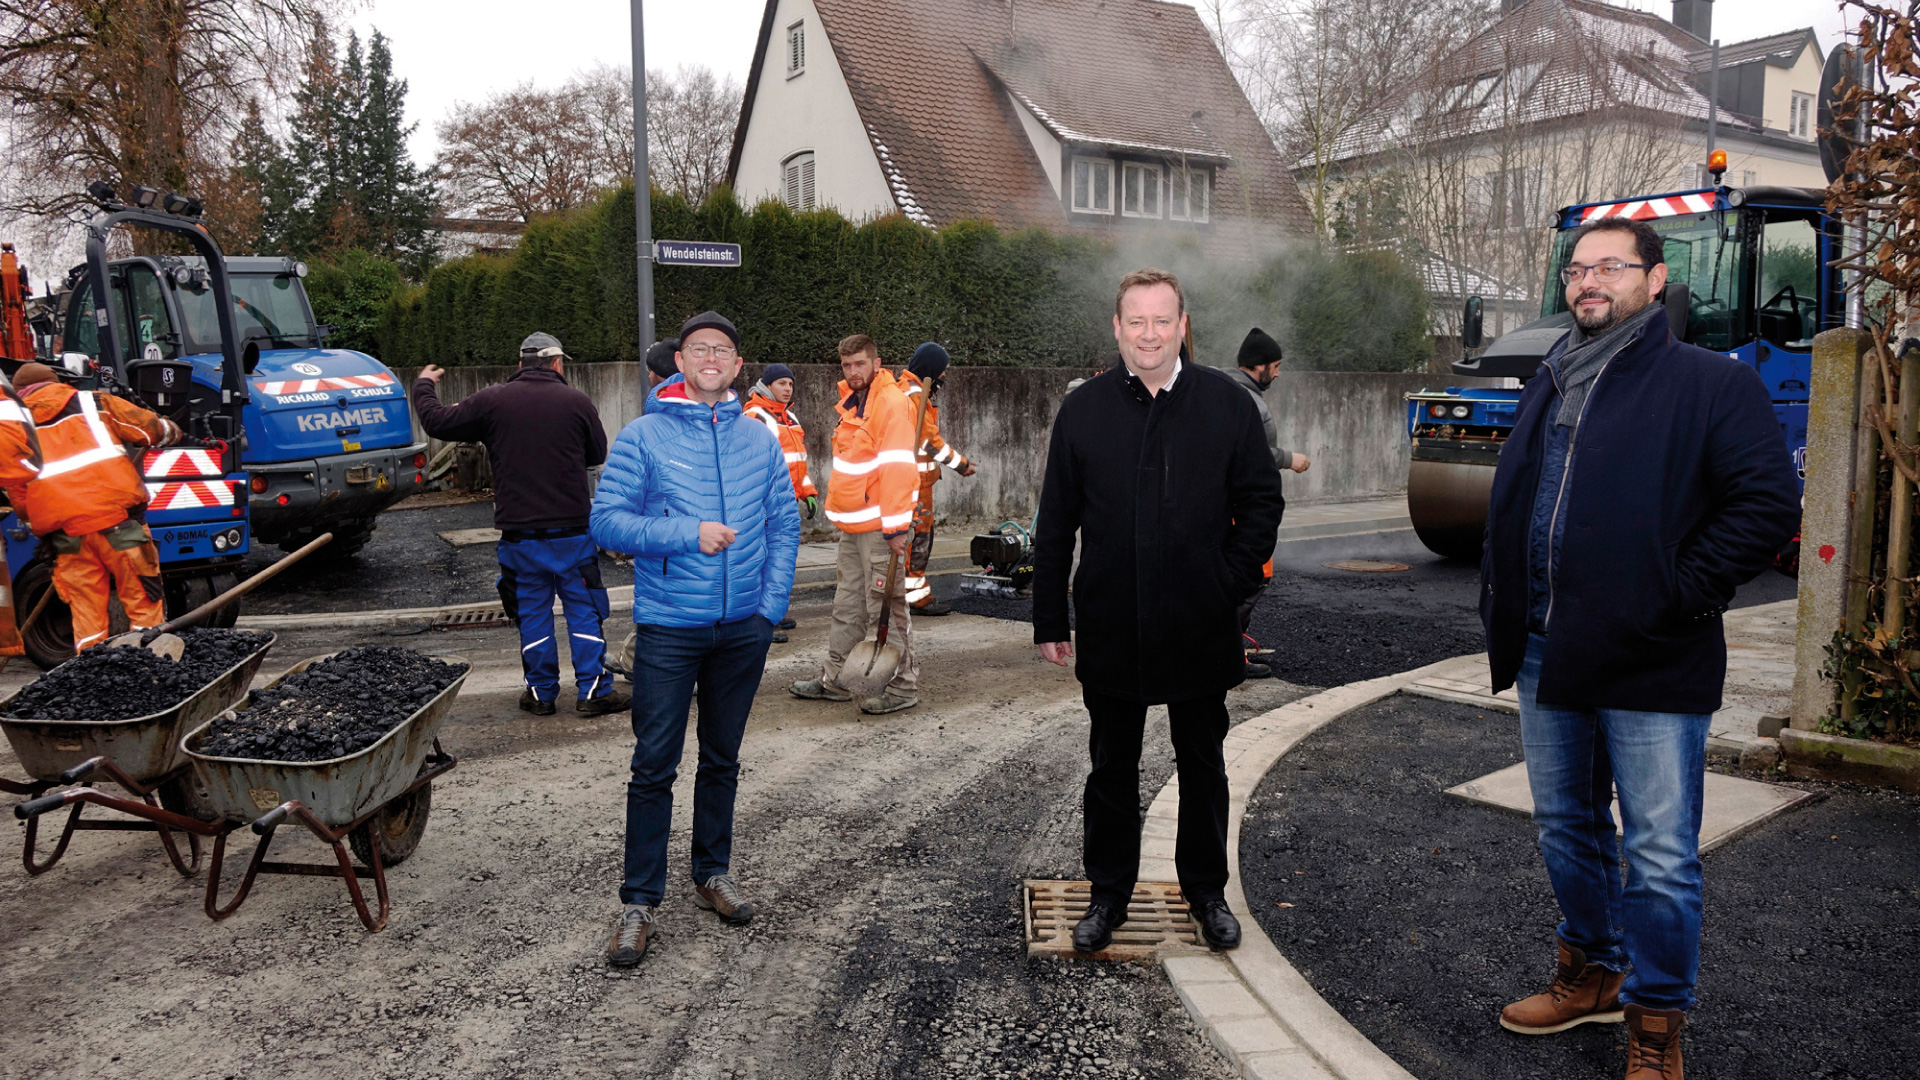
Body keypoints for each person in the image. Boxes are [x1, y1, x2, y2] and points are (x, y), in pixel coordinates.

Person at [1481, 217, 1798, 1079]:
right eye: (1578, 269)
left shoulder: (1708, 384)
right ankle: (1591, 970)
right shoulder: (1554, 377)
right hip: (1553, 649)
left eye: (1610, 267)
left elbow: (1767, 507)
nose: (1589, 281)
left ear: (1656, 282)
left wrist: (1674, 593)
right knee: (1565, 830)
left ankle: (1657, 1025)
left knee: (1658, 854)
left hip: (1655, 656)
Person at [1032, 269, 1285, 954]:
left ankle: (1205, 893)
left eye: (1161, 321)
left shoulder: (1225, 406)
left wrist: (1224, 584)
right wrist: (1051, 617)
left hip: (1200, 624)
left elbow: (1263, 503)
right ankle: (1107, 897)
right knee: (1110, 768)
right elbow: (1055, 521)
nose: (1148, 334)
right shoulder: (1084, 411)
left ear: (1182, 325)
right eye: (1135, 321)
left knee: (1202, 764)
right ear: (1117, 328)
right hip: (1112, 621)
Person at [590, 311, 800, 968]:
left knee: (722, 758)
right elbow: (607, 523)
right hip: (669, 628)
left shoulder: (759, 441)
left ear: (738, 367)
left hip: (743, 630)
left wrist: (768, 609)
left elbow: (784, 525)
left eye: (725, 349)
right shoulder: (643, 437)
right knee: (653, 765)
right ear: (679, 362)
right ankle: (638, 902)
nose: (713, 356)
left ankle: (712, 874)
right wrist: (686, 534)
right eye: (699, 347)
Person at [414, 333, 627, 718]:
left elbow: (435, 420)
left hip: (519, 536)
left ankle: (541, 694)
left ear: (520, 365)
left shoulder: (493, 401)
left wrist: (424, 385)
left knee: (532, 614)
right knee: (584, 611)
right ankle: (593, 692)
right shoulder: (577, 402)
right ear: (558, 364)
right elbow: (596, 455)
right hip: (572, 533)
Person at [5, 362, 180, 652]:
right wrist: (172, 430)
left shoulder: (14, 430)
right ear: (56, 382)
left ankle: (92, 675)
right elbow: (150, 429)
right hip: (120, 526)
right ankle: (152, 667)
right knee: (143, 602)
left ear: (20, 393)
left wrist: (43, 532)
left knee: (86, 616)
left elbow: (20, 498)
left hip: (66, 537)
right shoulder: (93, 402)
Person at [789, 333, 920, 716]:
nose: (853, 371)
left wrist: (897, 529)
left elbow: (898, 469)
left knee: (889, 607)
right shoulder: (852, 404)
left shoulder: (891, 403)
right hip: (853, 527)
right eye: (847, 365)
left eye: (860, 363)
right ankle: (835, 680)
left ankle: (903, 687)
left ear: (876, 364)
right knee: (847, 604)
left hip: (882, 530)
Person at [1225, 327, 1310, 679]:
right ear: (1259, 366)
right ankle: (1230, 657)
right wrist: (1291, 458)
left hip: (1219, 509)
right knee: (1252, 579)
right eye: (1275, 366)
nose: (1277, 373)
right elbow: (1257, 457)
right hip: (1237, 512)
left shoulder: (1219, 389)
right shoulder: (1252, 404)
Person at [897, 343, 978, 616]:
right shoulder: (915, 395)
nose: (945, 374)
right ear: (932, 367)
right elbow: (931, 442)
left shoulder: (907, 390)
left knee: (913, 540)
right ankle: (915, 597)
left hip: (914, 480)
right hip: (915, 483)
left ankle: (906, 594)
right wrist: (961, 464)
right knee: (918, 540)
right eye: (943, 368)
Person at [744, 363, 818, 643]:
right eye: (781, 384)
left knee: (779, 562)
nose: (787, 389)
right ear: (767, 385)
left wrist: (808, 491)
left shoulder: (790, 418)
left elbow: (797, 463)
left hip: (783, 504)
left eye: (790, 384)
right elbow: (749, 463)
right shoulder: (755, 415)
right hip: (762, 504)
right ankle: (759, 620)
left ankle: (771, 613)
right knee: (760, 561)